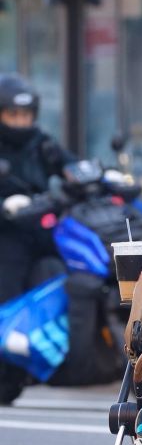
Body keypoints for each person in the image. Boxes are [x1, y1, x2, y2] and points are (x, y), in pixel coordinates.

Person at [0, 72, 74, 398]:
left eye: (26, 115)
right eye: (13, 115)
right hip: (8, 234)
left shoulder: (41, 143)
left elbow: (70, 165)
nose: (20, 122)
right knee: (8, 290)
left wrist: (98, 173)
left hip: (42, 231)